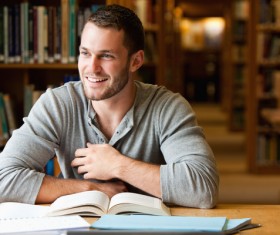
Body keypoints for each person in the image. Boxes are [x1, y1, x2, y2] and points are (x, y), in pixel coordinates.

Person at [0, 4, 219, 208]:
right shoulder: (58, 104)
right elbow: (3, 178)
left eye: (106, 56)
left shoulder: (168, 107)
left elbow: (203, 189)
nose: (91, 68)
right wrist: (91, 189)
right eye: (85, 53)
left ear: (136, 61)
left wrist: (118, 165)